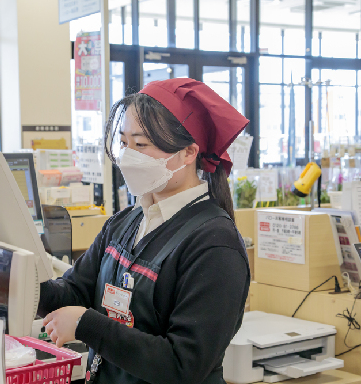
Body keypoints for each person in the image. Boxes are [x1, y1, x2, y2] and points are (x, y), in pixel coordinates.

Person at [39, 78, 251, 384]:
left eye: (141, 145)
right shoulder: (124, 223)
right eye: (124, 143)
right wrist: (18, 283)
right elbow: (75, 291)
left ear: (189, 152)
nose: (128, 156)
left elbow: (183, 365)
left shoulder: (215, 244)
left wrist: (88, 325)